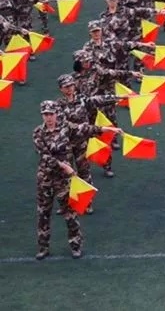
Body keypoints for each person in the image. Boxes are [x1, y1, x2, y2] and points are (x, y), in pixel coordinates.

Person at [33, 100, 121, 259]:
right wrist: (63, 166)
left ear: (56, 114)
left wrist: (106, 129)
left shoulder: (66, 128)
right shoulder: (38, 133)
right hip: (45, 178)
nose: (48, 117)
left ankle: (75, 246)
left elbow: (85, 128)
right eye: (45, 114)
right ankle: (43, 248)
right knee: (43, 214)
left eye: (51, 114)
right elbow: (45, 155)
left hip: (64, 180)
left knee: (70, 214)